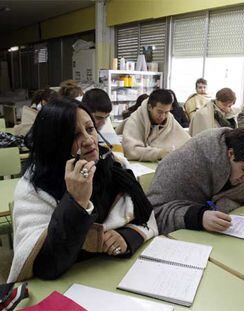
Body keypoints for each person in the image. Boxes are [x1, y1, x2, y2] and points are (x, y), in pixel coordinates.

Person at [8, 97, 158, 282]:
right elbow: (45, 266)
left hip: (112, 274)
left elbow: (146, 217)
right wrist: (76, 201)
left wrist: (127, 237)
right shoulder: (35, 188)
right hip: (65, 282)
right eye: (74, 135)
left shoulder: (116, 167)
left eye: (90, 129)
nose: (88, 140)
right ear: (54, 143)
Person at [148, 127, 244, 235]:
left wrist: (219, 213)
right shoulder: (185, 163)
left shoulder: (239, 159)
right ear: (230, 153)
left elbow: (233, 198)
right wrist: (199, 217)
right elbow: (154, 214)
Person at [122, 89, 190, 161]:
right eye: (159, 112)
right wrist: (159, 153)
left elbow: (187, 143)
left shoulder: (169, 118)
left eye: (166, 112)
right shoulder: (135, 119)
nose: (163, 116)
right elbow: (130, 151)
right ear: (150, 107)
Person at [81, 88, 124, 156]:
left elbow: (118, 154)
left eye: (106, 117)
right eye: (98, 118)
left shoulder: (105, 123)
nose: (104, 123)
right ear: (85, 112)